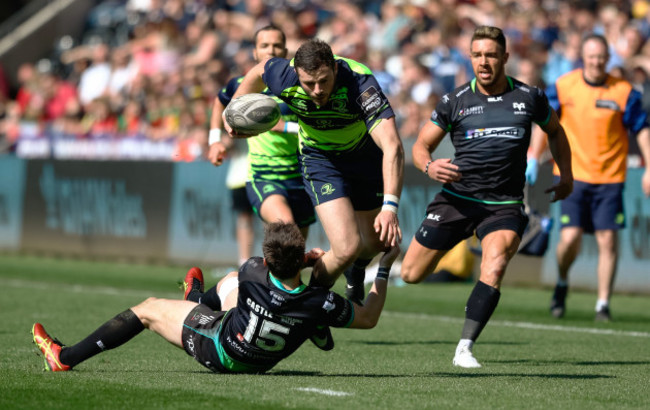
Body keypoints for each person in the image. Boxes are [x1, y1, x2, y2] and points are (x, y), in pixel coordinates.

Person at [399, 26, 573, 369]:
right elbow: (420, 147)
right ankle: (389, 261)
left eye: (491, 55)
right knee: (411, 274)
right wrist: (429, 167)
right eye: (477, 55)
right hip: (457, 200)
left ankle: (465, 347)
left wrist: (565, 174)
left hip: (504, 204)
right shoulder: (454, 101)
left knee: (494, 263)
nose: (484, 61)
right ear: (470, 58)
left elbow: (556, 131)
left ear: (505, 58)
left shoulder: (530, 97)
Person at [32, 222, 400, 373]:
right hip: (265, 357)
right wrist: (383, 267)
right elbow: (369, 317)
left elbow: (275, 265)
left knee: (146, 309)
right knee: (229, 285)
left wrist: (304, 258)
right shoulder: (317, 300)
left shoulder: (253, 269)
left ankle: (64, 358)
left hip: (222, 348)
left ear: (269, 258)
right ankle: (315, 328)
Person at [223, 38, 404, 305]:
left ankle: (355, 271)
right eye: (309, 83)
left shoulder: (361, 83)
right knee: (346, 248)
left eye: (324, 80)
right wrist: (234, 111)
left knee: (374, 245)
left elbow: (393, 146)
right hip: (320, 160)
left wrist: (390, 207)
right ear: (297, 73)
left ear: (334, 68)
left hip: (365, 158)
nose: (317, 90)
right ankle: (311, 311)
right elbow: (259, 70)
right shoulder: (283, 74)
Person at [527, 34, 650, 322]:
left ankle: (602, 303)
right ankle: (562, 282)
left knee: (608, 240)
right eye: (591, 57)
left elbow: (642, 130)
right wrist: (534, 156)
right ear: (583, 57)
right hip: (572, 176)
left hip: (609, 178)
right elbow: (545, 123)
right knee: (569, 239)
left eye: (601, 57)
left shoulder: (624, 92)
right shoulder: (564, 86)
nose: (596, 62)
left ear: (608, 59)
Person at [207, 25, 315, 245]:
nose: (271, 50)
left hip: (301, 177)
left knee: (295, 250)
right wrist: (214, 141)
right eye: (264, 45)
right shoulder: (241, 85)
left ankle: (274, 279)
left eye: (277, 45)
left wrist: (287, 127)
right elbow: (220, 102)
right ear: (255, 52)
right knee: (287, 229)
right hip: (264, 175)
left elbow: (315, 127)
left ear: (285, 51)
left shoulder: (302, 86)